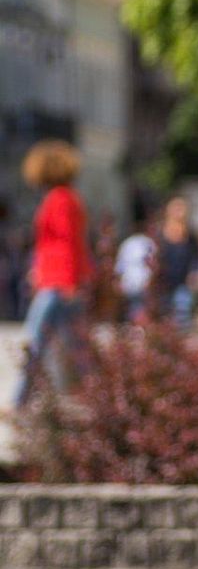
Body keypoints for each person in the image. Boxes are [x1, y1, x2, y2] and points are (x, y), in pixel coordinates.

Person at [13, 140, 93, 407]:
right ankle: (95, 396)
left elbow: (68, 242)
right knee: (76, 347)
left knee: (36, 342)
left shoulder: (59, 199)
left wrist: (68, 281)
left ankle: (18, 401)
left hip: (59, 282)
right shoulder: (67, 197)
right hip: (58, 279)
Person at [156, 195, 198, 327]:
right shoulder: (160, 233)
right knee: (164, 313)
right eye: (176, 208)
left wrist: (195, 272)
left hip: (184, 282)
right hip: (163, 282)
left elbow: (197, 257)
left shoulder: (190, 235)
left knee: (183, 312)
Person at [114, 209, 157, 324]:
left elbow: (153, 265)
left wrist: (150, 283)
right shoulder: (128, 244)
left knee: (141, 314)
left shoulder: (148, 243)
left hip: (144, 286)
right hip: (129, 286)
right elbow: (120, 267)